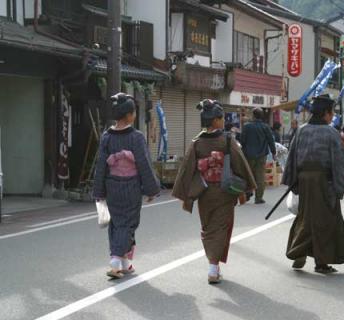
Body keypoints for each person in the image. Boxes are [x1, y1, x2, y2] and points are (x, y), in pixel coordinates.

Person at [172, 100, 256, 284]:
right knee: (221, 228)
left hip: (204, 191)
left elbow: (187, 169)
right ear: (216, 120)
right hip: (225, 191)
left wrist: (185, 194)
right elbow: (239, 163)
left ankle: (214, 266)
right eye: (221, 118)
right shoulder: (226, 140)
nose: (223, 121)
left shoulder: (197, 143)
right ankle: (212, 268)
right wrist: (247, 187)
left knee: (208, 227)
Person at [283, 95, 344, 274]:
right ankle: (319, 262)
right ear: (325, 113)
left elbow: (292, 156)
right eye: (331, 113)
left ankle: (299, 251)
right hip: (324, 182)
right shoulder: (331, 133)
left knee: (306, 217)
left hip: (305, 180)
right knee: (326, 220)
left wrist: (293, 180)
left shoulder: (301, 130)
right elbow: (339, 160)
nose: (332, 116)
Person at [93, 93, 160, 279]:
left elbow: (101, 165)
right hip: (131, 186)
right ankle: (115, 261)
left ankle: (125, 263)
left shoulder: (107, 136)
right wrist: (151, 189)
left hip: (112, 185)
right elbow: (144, 164)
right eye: (134, 112)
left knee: (117, 222)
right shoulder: (136, 137)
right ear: (130, 115)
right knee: (128, 224)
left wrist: (99, 191)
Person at [240, 108, 276, 204]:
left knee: (248, 174)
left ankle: (247, 193)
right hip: (261, 155)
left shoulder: (247, 127)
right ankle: (258, 198)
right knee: (260, 176)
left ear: (253, 115)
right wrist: (274, 152)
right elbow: (271, 141)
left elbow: (242, 140)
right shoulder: (265, 127)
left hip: (248, 154)